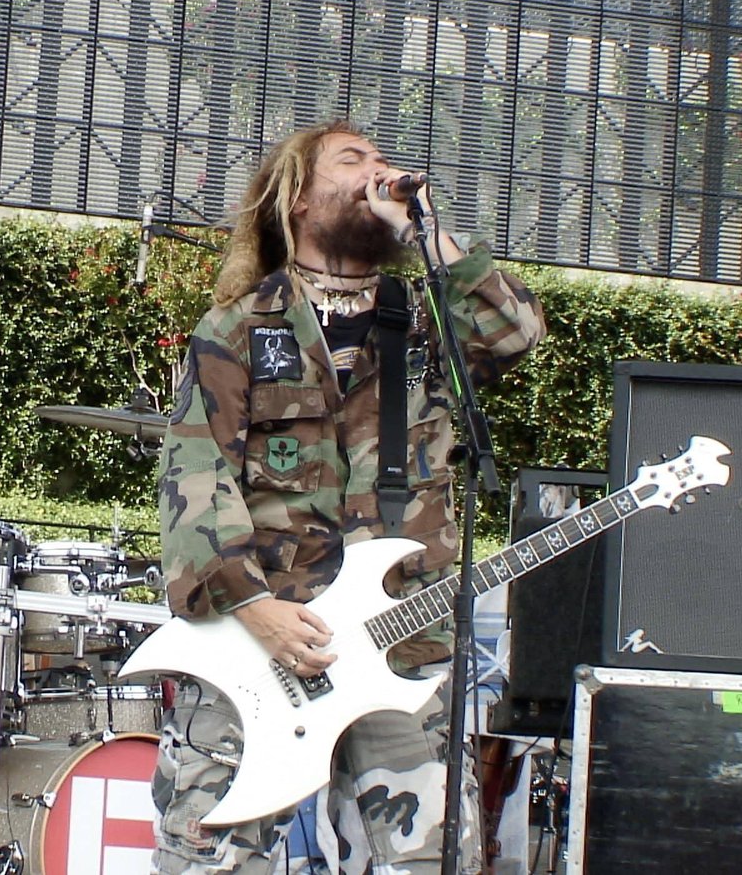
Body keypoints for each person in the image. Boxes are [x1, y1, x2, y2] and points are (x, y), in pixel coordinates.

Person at [150, 120, 546, 874]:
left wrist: (426, 229)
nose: (380, 170)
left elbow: (514, 332)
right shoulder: (238, 327)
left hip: (404, 647)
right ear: (296, 198)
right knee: (211, 859)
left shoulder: (424, 324)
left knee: (434, 860)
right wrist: (253, 607)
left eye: (384, 161)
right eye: (354, 159)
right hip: (254, 646)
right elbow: (196, 478)